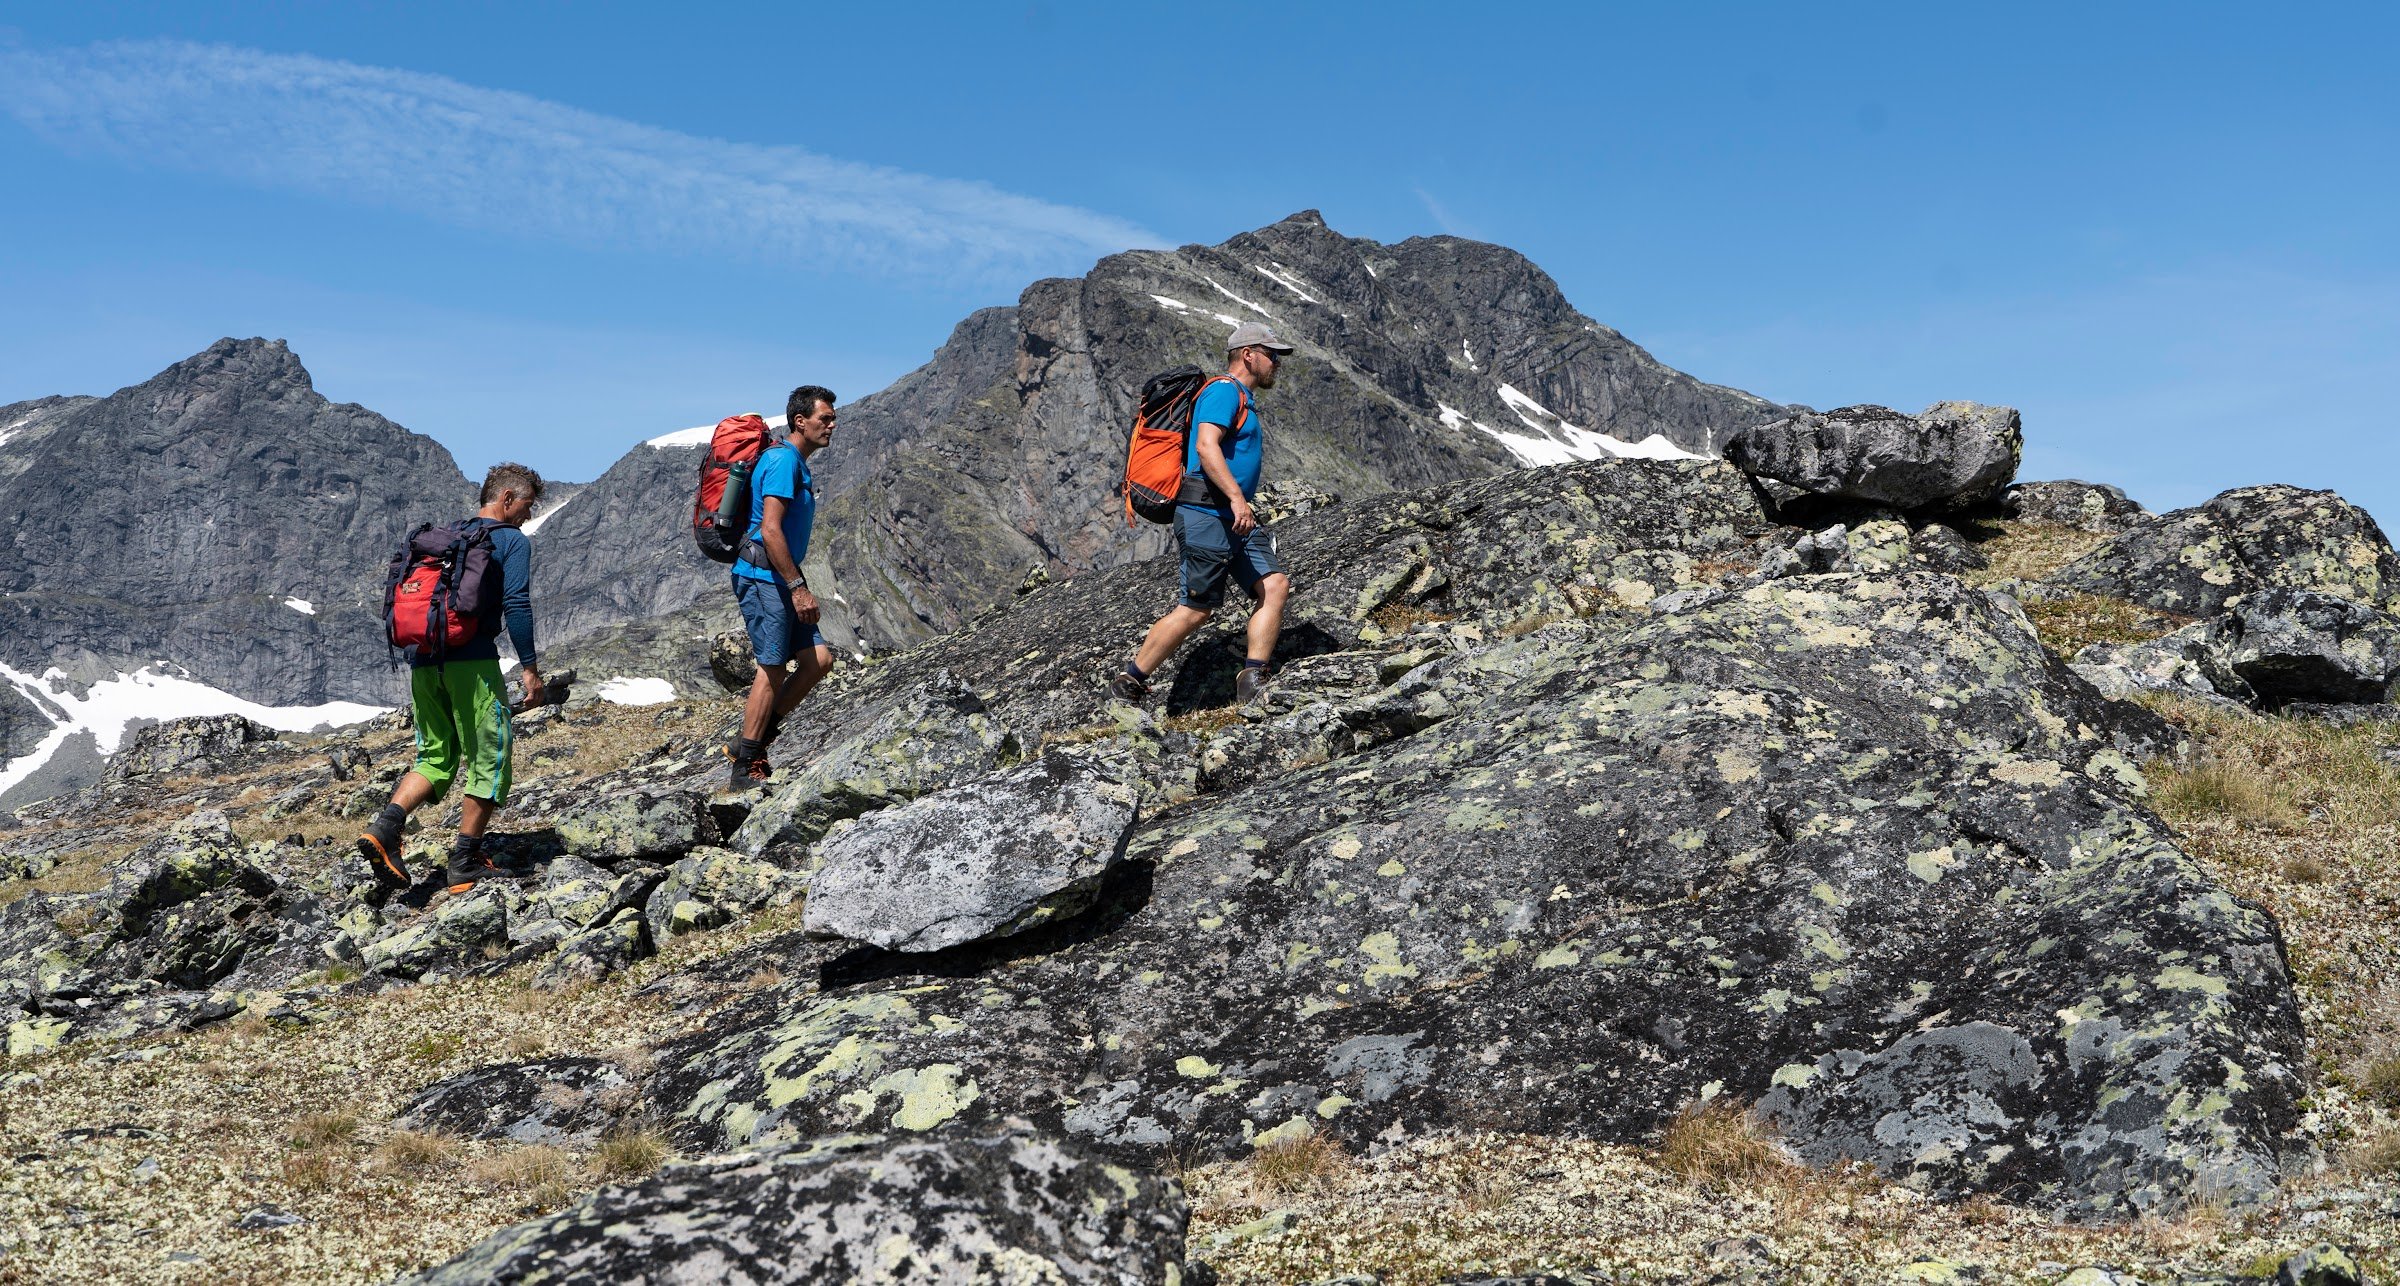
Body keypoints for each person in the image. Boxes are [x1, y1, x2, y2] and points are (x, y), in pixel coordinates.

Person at [357, 463, 551, 894]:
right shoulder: (509, 541)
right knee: (490, 754)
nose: (527, 516)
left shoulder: (449, 538)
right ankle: (464, 861)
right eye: (526, 505)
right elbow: (517, 605)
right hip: (473, 664)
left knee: (434, 757)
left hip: (424, 661)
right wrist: (530, 668)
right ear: (505, 498)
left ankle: (386, 829)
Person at [1111, 321, 1295, 706]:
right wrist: (1236, 498)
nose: (1276, 362)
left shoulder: (1241, 397)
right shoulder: (1223, 391)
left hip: (1232, 518)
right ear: (1249, 354)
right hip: (1206, 513)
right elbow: (1207, 447)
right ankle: (1129, 680)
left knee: (1274, 585)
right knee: (1197, 608)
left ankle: (1253, 679)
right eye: (1271, 354)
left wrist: (1236, 506)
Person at [726, 385, 840, 790]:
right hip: (764, 576)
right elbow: (770, 530)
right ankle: (745, 768)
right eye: (824, 418)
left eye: (831, 417)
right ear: (800, 421)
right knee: (772, 666)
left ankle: (750, 742)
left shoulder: (797, 464)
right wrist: (797, 588)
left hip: (780, 576)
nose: (831, 424)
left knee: (818, 661)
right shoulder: (781, 462)